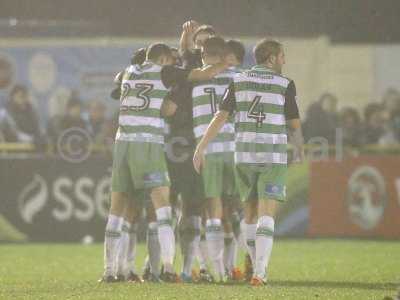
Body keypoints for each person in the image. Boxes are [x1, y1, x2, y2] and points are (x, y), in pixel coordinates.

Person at [193, 39, 304, 286]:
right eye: (282, 56)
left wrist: (201, 146)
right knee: (267, 213)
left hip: (243, 154)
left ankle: (254, 265)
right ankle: (260, 272)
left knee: (250, 214)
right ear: (272, 58)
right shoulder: (284, 84)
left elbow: (220, 116)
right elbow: (294, 123)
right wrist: (299, 150)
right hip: (272, 154)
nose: (284, 60)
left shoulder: (238, 80)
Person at [100, 43, 179, 283]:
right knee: (162, 207)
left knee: (121, 211)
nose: (173, 66)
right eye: (171, 60)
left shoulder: (127, 73)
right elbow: (169, 110)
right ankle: (165, 268)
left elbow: (118, 89)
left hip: (124, 144)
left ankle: (113, 271)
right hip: (148, 146)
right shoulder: (164, 76)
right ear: (163, 59)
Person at [0, 85, 45, 149]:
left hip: (33, 147)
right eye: (20, 96)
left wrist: (39, 138)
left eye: (25, 96)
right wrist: (32, 139)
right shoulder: (5, 113)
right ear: (12, 97)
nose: (24, 99)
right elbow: (14, 134)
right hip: (12, 149)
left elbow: (38, 130)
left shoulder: (32, 111)